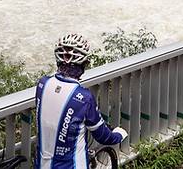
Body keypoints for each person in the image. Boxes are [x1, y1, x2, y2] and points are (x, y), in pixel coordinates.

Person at [35, 34, 128, 169]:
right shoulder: (83, 97)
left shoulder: (42, 84)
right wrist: (119, 135)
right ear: (84, 64)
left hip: (41, 164)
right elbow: (102, 136)